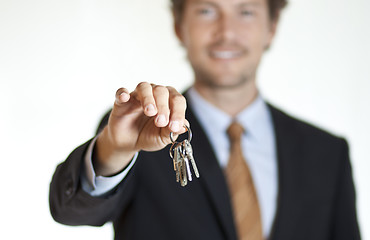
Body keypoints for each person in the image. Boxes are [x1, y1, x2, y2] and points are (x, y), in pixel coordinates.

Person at [49, 0, 361, 239]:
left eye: (247, 12)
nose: (226, 32)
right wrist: (114, 150)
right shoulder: (136, 132)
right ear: (179, 26)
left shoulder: (327, 153)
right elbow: (71, 212)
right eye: (207, 11)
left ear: (272, 26)